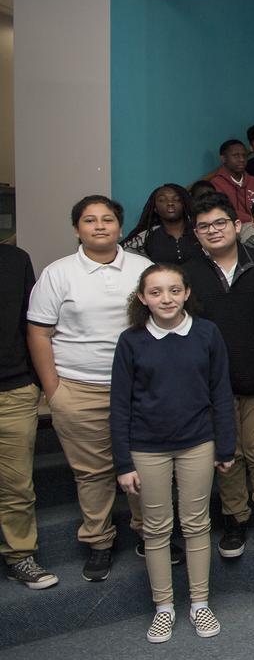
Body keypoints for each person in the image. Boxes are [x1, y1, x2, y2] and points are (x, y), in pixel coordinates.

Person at [27, 195, 154, 581]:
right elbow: (39, 331)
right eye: (89, 220)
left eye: (107, 219)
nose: (99, 226)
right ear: (77, 228)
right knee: (93, 472)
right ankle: (99, 541)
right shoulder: (58, 273)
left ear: (119, 226)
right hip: (80, 389)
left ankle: (149, 534)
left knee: (145, 466)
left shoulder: (143, 267)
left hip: (139, 388)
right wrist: (54, 391)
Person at [111, 264, 236, 643]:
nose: (166, 298)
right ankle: (164, 607)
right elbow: (119, 406)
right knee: (156, 529)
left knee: (196, 524)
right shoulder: (131, 341)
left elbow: (220, 393)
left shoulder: (206, 333)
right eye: (156, 292)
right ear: (142, 298)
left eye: (173, 290)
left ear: (186, 293)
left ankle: (199, 604)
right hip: (146, 448)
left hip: (197, 443)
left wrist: (225, 444)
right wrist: (123, 462)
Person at [186, 193, 254, 559]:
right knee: (228, 452)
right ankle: (235, 518)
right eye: (204, 226)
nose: (213, 231)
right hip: (210, 383)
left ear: (237, 226)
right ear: (196, 234)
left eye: (220, 223)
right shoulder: (189, 275)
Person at [0, 244, 57, 589]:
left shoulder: (16, 259)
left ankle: (19, 555)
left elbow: (31, 322)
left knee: (16, 483)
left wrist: (35, 383)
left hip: (13, 389)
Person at [123, 184, 200, 264]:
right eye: (162, 200)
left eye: (177, 199)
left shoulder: (201, 231)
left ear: (185, 205)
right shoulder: (145, 238)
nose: (170, 203)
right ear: (155, 208)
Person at [210, 139, 254, 223]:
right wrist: (251, 220)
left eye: (244, 155)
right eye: (236, 156)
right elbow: (224, 211)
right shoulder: (215, 184)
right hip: (233, 225)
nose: (242, 159)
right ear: (223, 159)